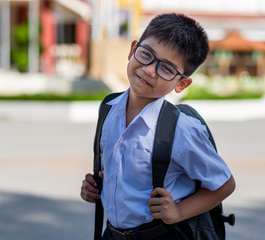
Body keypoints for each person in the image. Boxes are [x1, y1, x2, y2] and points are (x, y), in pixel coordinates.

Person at [80, 13, 236, 240]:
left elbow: (224, 184)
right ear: (133, 50)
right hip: (112, 234)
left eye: (167, 68)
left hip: (160, 235)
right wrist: (96, 188)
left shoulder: (180, 129)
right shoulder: (108, 109)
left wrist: (179, 211)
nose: (150, 70)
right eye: (146, 55)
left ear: (181, 83)